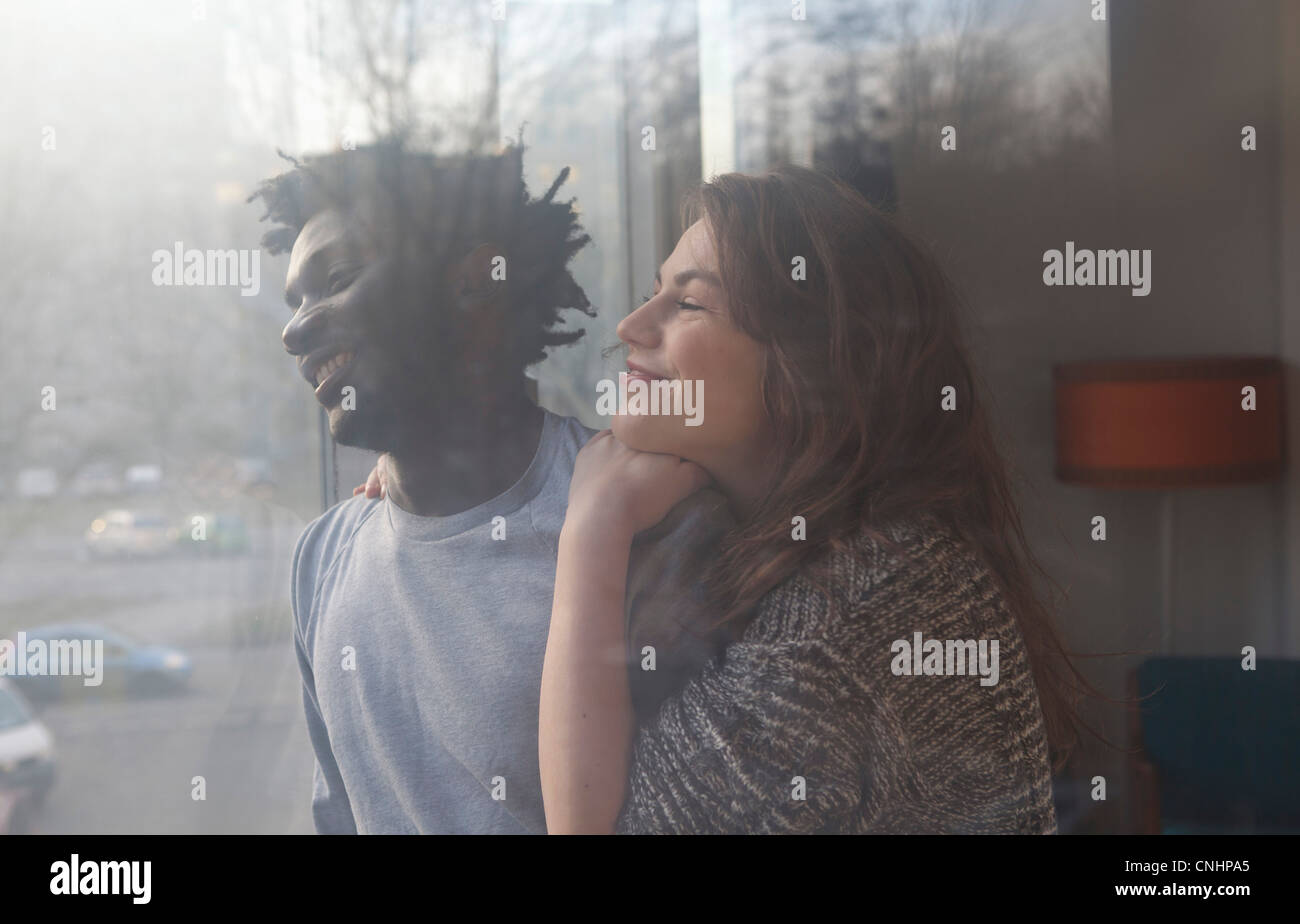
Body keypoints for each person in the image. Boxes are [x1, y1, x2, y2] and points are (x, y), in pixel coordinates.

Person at [537, 164, 1094, 833]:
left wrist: (593, 531)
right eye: (656, 291)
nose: (631, 325)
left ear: (807, 364)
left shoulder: (854, 612)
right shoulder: (828, 546)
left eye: (688, 304)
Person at [250, 139, 606, 833]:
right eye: (295, 302)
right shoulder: (321, 558)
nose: (294, 333)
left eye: (339, 278)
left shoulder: (623, 513)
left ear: (471, 280)